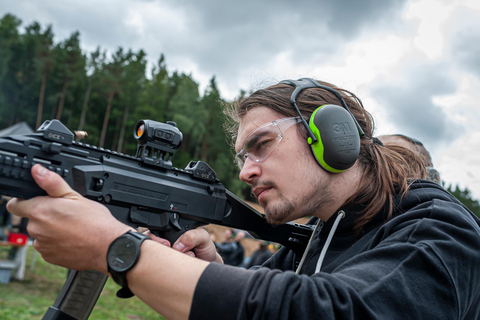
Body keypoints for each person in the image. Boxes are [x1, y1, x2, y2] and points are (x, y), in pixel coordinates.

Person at [7, 78, 480, 319]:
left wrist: (118, 249)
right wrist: (211, 271)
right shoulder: (320, 236)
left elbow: (328, 312)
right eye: (240, 157)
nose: (247, 170)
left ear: (335, 137)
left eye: (261, 145)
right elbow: (258, 300)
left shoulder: (435, 226)